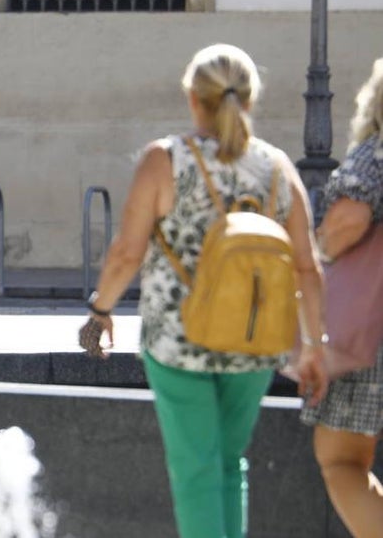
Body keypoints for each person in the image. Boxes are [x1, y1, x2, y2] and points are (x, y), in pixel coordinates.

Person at [79, 44, 328, 538]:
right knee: (230, 465)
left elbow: (127, 252)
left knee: (195, 469)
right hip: (254, 343)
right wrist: (315, 346)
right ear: (250, 100)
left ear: (193, 98)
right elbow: (306, 265)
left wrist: (100, 310)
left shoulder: (166, 160)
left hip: (178, 340)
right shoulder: (277, 167)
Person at [301, 57, 383, 537]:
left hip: (369, 335)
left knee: (342, 460)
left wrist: (317, 255)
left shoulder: (375, 156)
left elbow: (349, 220)